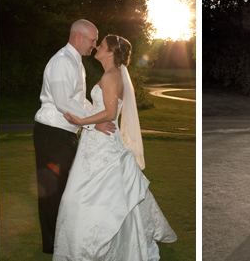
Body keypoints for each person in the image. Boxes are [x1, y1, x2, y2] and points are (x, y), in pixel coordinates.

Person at [55, 35, 176, 260]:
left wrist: (80, 121)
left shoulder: (112, 76)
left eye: (101, 46)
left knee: (84, 196)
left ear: (110, 53)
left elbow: (111, 113)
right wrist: (89, 115)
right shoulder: (113, 74)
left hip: (102, 145)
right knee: (102, 194)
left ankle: (90, 244)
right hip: (98, 141)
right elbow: (110, 110)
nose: (96, 47)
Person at [33, 19, 116, 254]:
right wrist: (94, 124)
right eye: (92, 40)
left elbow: (80, 101)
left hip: (65, 134)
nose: (95, 44)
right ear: (79, 37)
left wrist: (95, 116)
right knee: (52, 191)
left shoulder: (76, 62)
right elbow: (63, 103)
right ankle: (52, 246)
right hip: (52, 134)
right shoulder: (61, 62)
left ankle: (63, 239)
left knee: (66, 190)